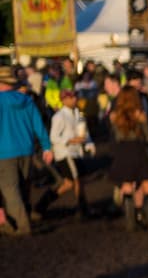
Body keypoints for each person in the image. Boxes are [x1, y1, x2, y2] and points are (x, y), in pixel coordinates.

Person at [0, 65, 56, 236]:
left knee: (10, 191)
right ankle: (16, 223)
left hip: (4, 152)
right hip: (27, 150)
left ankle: (23, 226)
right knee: (24, 188)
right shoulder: (27, 100)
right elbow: (38, 126)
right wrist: (46, 147)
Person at [108, 87, 148, 231]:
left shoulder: (115, 116)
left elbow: (116, 138)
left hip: (123, 153)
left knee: (127, 186)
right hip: (140, 151)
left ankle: (130, 223)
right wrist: (144, 122)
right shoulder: (140, 114)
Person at [43, 88, 94, 219]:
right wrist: (70, 140)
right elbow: (53, 137)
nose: (74, 99)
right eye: (71, 97)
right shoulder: (59, 116)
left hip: (77, 152)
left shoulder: (78, 113)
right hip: (65, 153)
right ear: (63, 100)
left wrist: (89, 143)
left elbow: (84, 132)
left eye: (75, 96)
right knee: (76, 180)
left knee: (70, 183)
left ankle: (43, 204)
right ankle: (82, 209)